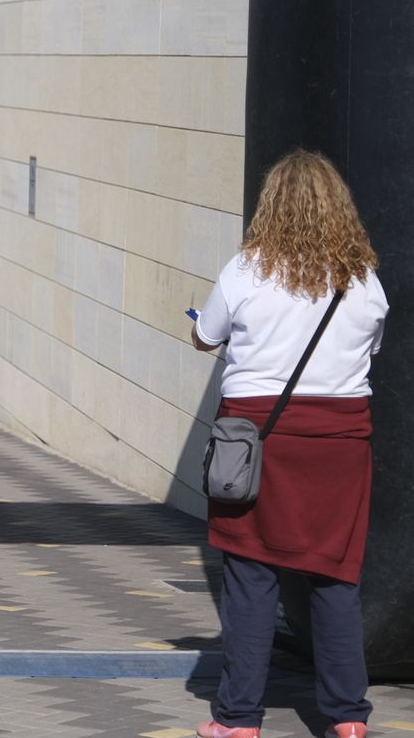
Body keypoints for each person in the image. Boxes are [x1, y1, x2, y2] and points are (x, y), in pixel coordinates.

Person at [189, 150, 386, 738]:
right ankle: (349, 718)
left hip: (256, 439)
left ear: (270, 205)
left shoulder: (246, 270)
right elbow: (364, 356)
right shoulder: (364, 280)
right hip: (341, 444)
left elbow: (207, 336)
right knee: (335, 576)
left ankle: (239, 720)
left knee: (251, 577)